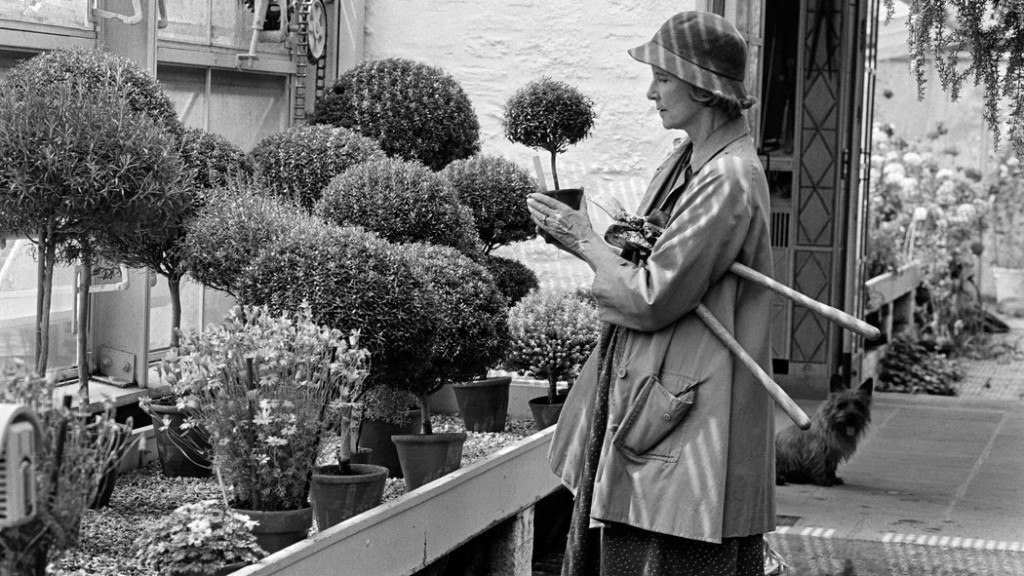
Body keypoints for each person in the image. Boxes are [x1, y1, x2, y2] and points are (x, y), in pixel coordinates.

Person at [527, 11, 776, 576]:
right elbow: (654, 267)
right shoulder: (687, 160)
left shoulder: (729, 177)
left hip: (689, 425)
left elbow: (651, 297)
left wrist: (585, 240)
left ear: (702, 86)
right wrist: (586, 242)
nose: (650, 93)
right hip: (651, 400)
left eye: (662, 78)